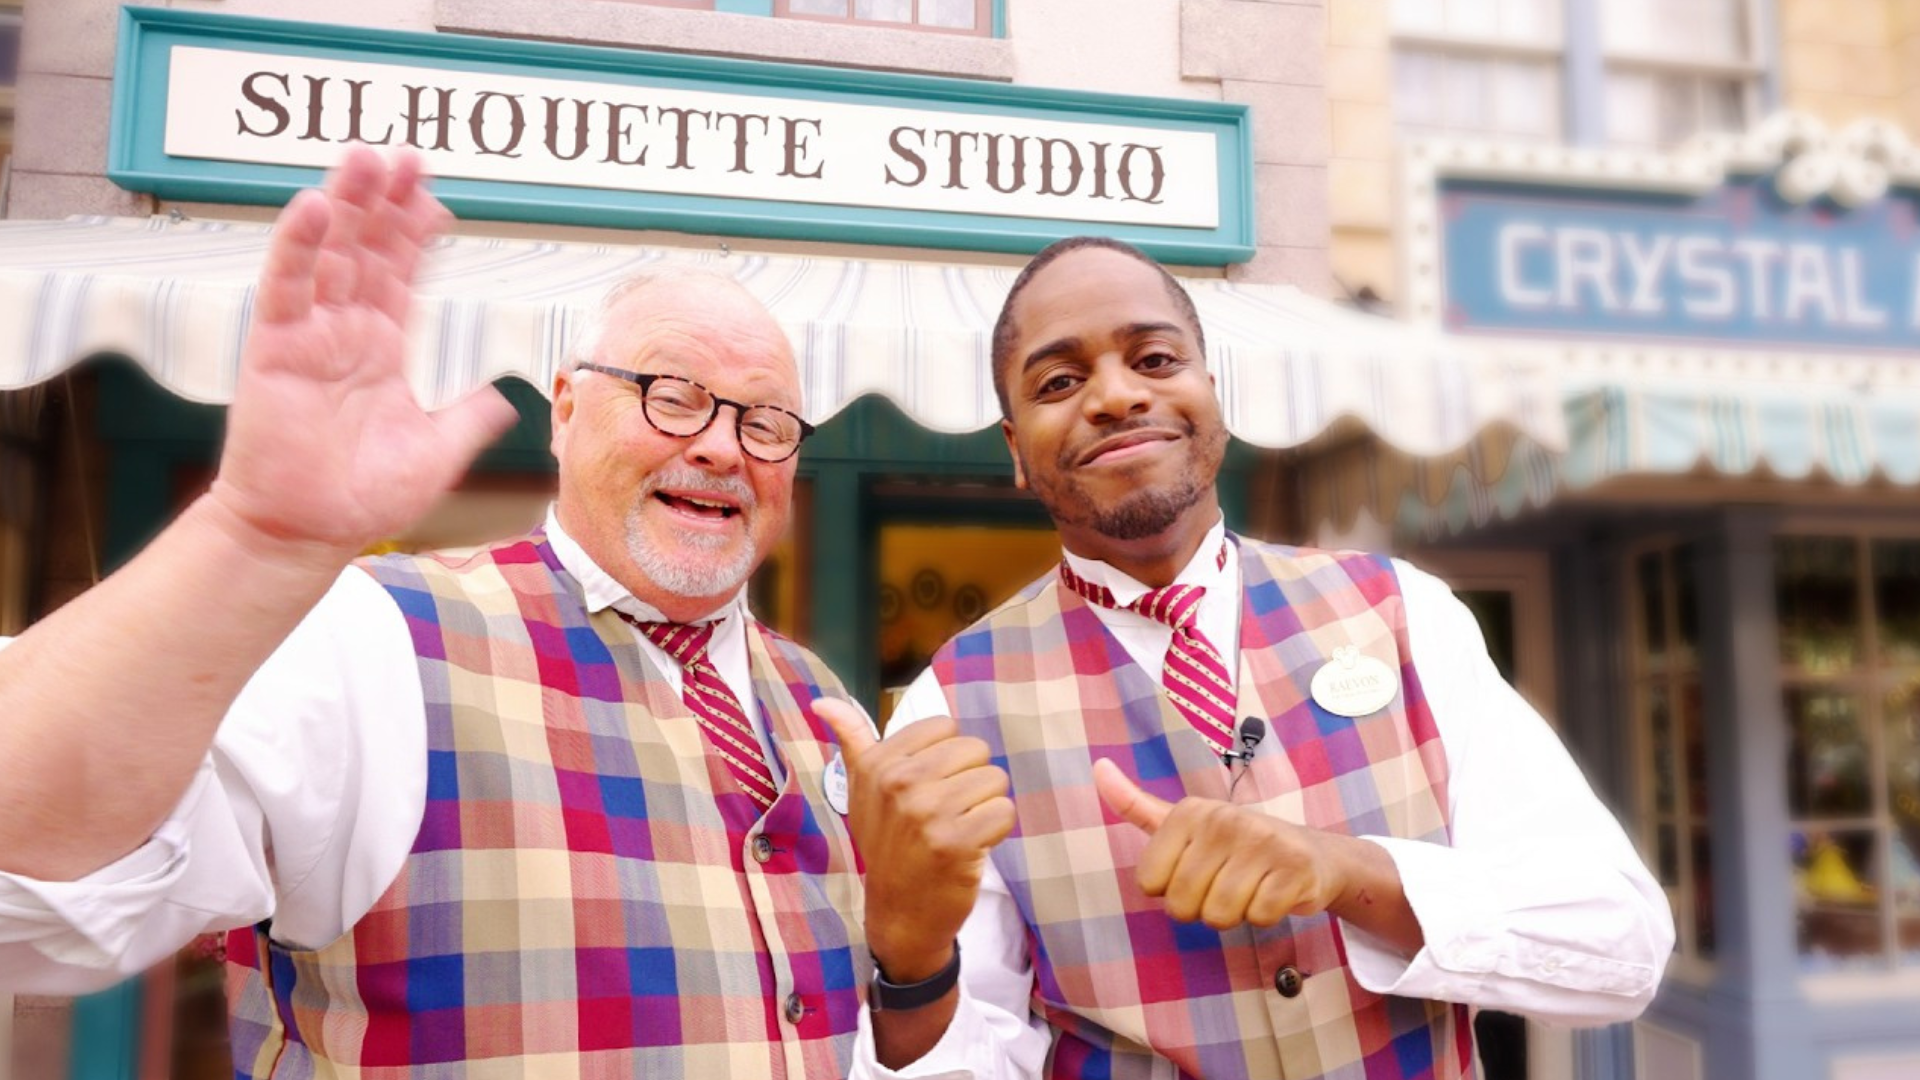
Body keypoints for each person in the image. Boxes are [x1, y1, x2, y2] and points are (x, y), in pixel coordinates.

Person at [0, 147, 886, 1078]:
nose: (719, 446)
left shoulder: (822, 703)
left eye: (768, 424)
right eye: (673, 398)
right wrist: (251, 538)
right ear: (566, 409)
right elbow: (27, 880)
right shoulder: (375, 639)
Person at [822, 236, 1675, 1080]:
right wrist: (911, 961)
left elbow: (1621, 946)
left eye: (1155, 359)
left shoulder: (1403, 613)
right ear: (1015, 448)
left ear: (1211, 396)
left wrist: (1348, 871)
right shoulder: (955, 702)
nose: (1116, 397)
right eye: (1059, 381)